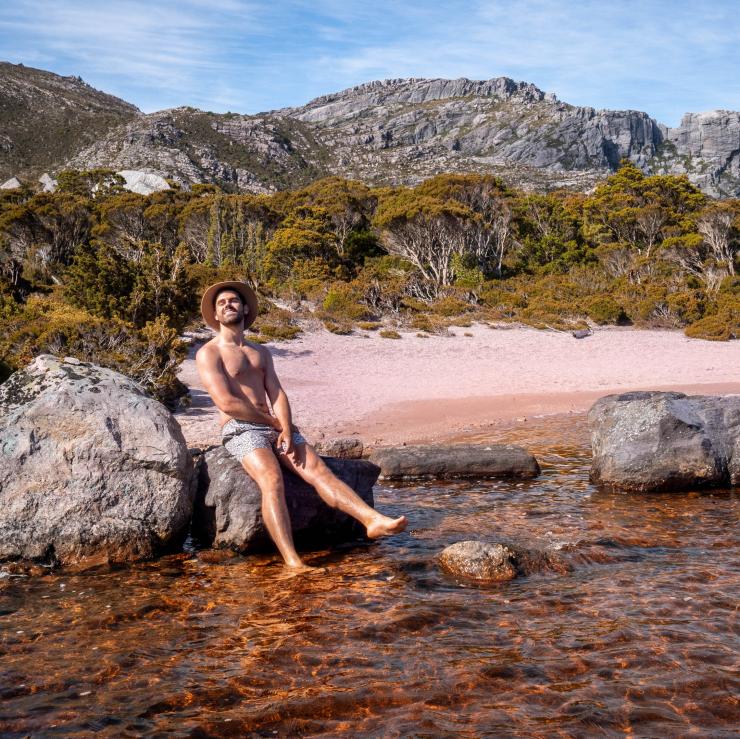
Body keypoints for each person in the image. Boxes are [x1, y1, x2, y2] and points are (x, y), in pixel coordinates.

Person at [195, 281, 407, 571]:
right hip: (240, 428)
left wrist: (285, 427)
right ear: (216, 316)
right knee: (272, 480)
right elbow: (226, 402)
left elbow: (277, 394)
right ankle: (293, 560)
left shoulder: (261, 352)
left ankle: (371, 520)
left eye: (233, 301)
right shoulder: (209, 353)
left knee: (319, 472)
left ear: (245, 308)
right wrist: (273, 422)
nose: (228, 305)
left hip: (275, 425)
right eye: (221, 304)